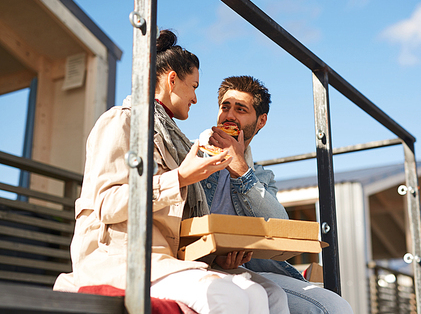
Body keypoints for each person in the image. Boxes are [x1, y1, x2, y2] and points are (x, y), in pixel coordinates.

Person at [53, 31, 288, 314]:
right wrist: (180, 178)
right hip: (118, 258)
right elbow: (106, 204)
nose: (196, 98)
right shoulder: (121, 121)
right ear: (172, 79)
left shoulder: (174, 141)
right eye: (194, 86)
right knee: (229, 296)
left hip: (165, 261)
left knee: (261, 294)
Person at [200, 76, 354, 314]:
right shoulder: (193, 155)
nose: (229, 115)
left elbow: (279, 224)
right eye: (225, 107)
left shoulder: (262, 176)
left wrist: (241, 170)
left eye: (241, 109)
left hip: (251, 270)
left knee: (334, 307)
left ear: (261, 121)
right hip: (197, 266)